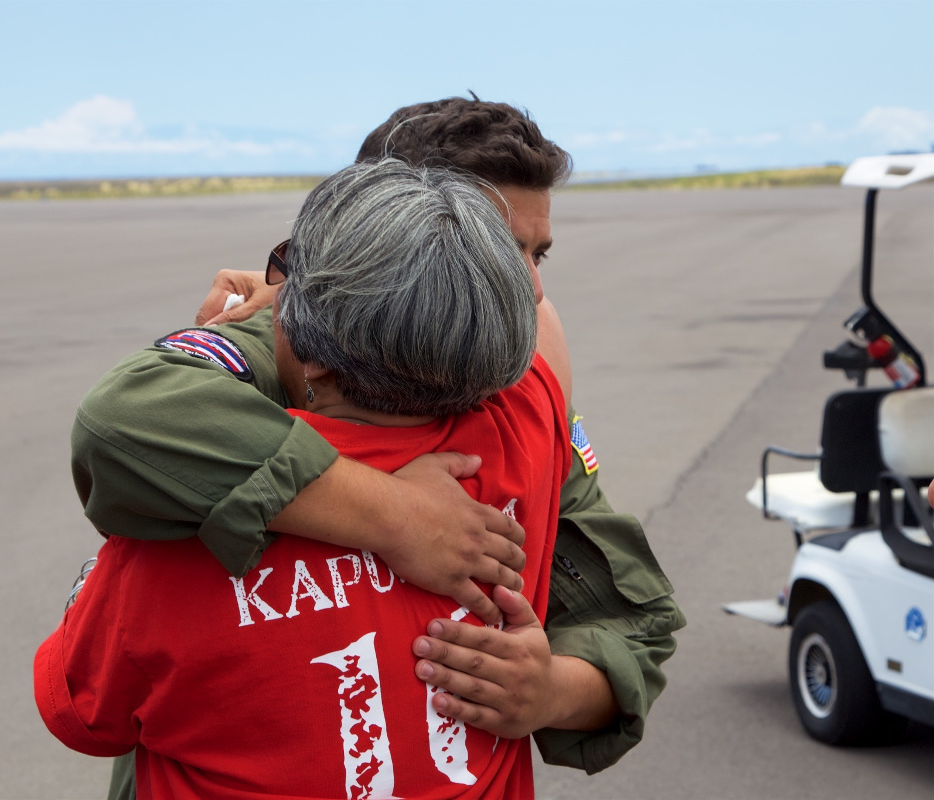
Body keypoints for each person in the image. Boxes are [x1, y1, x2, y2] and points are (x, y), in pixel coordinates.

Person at [71, 98, 684, 787]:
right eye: (497, 250)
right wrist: (396, 515)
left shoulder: (521, 393)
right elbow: (121, 423)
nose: (531, 291)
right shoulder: (281, 341)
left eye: (536, 255)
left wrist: (548, 692)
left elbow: (632, 618)